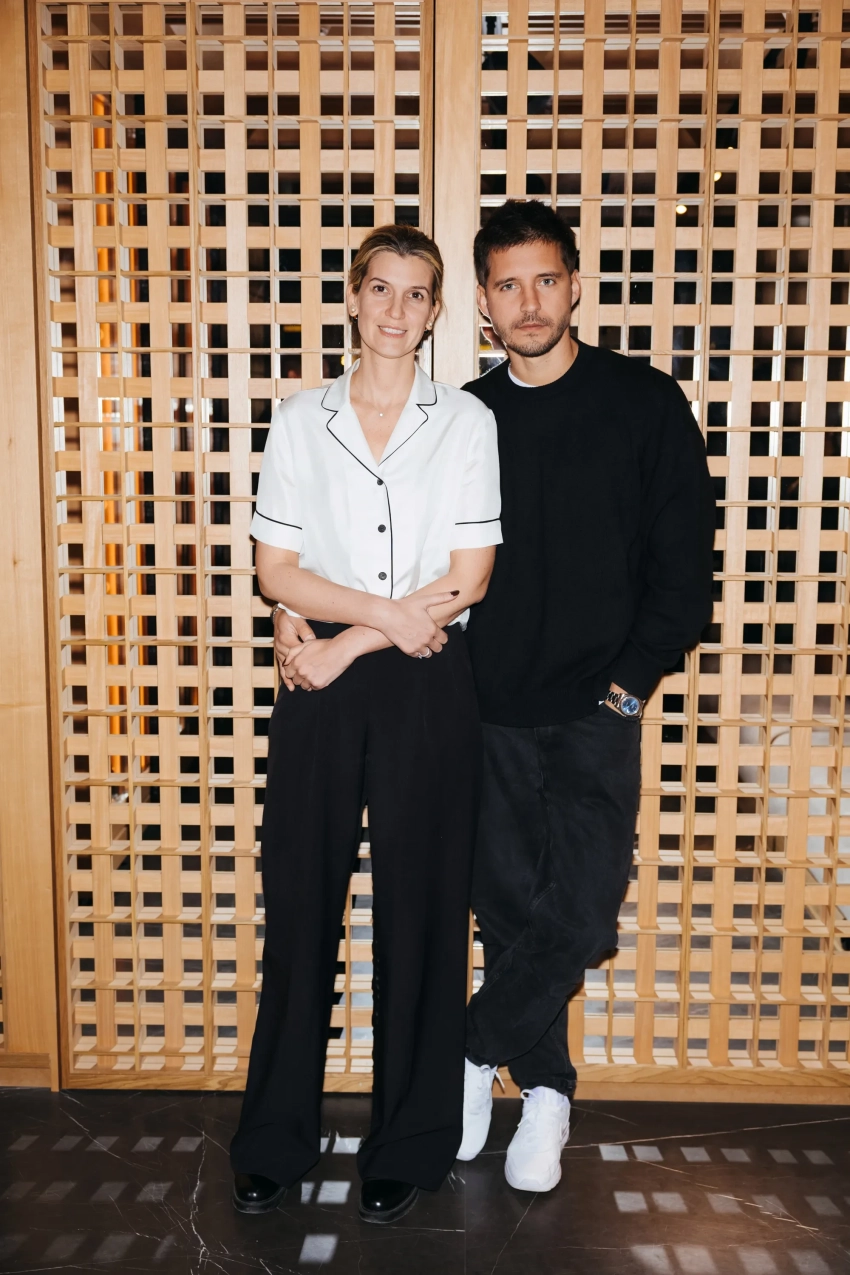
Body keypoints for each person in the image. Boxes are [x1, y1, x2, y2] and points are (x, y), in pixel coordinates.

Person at [276, 200, 715, 1197]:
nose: (528, 302)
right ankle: (546, 1094)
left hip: (598, 709)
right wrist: (295, 616)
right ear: (481, 303)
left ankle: (468, 1050)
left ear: (574, 285)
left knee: (582, 915)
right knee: (510, 915)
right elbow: (395, 554)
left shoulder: (644, 402)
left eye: (545, 279)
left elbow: (684, 570)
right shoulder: (463, 417)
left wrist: (628, 687)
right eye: (507, 285)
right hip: (480, 707)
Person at [232, 224, 501, 1224]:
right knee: (300, 904)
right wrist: (359, 623)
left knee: (423, 912)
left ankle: (410, 1141)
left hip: (422, 680)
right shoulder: (300, 420)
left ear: (435, 313)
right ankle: (273, 1139)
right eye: (380, 288)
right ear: (353, 298)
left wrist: (347, 640)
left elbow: (468, 579)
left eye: (416, 293)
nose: (396, 309)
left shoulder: (466, 421)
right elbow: (275, 570)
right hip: (318, 687)